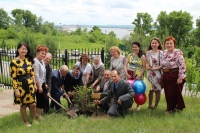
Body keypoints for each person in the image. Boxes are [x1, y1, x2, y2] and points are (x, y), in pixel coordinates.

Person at [10, 42, 37, 126]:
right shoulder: (14, 62)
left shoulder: (29, 60)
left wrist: (35, 84)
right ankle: (25, 121)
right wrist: (16, 89)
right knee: (24, 105)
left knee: (33, 104)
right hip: (21, 86)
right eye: (22, 49)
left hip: (30, 84)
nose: (24, 50)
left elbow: (32, 74)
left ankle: (33, 119)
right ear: (18, 50)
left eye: (25, 49)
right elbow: (13, 77)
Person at [161, 36, 186, 114]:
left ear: (174, 44)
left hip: (175, 75)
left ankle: (173, 109)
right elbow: (162, 64)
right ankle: (170, 108)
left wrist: (180, 77)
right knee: (168, 93)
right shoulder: (164, 52)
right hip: (166, 75)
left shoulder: (178, 52)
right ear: (165, 44)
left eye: (171, 43)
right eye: (167, 43)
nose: (169, 45)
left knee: (175, 93)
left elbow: (182, 65)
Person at [125, 42, 146, 111]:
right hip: (130, 74)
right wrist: (126, 73)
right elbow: (125, 65)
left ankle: (138, 105)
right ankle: (130, 105)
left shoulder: (142, 56)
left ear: (139, 47)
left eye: (136, 47)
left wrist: (140, 75)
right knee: (129, 89)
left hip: (138, 75)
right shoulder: (129, 55)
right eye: (133, 47)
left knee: (138, 89)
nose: (134, 48)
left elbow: (144, 67)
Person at [146, 37, 163, 109]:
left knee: (157, 90)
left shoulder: (161, 53)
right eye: (152, 43)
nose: (154, 44)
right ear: (150, 44)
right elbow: (146, 62)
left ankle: (155, 106)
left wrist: (154, 68)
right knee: (150, 90)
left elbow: (162, 65)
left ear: (158, 44)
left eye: (155, 43)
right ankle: (149, 105)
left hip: (157, 74)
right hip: (149, 73)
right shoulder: (148, 52)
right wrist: (147, 66)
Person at [33, 45, 49, 119]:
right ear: (38, 53)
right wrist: (39, 87)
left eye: (45, 54)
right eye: (42, 53)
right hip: (37, 84)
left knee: (44, 99)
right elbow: (36, 75)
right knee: (42, 99)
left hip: (42, 83)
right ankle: (37, 114)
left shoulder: (42, 61)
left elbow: (43, 74)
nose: (44, 55)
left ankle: (38, 113)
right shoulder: (35, 62)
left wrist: (45, 83)